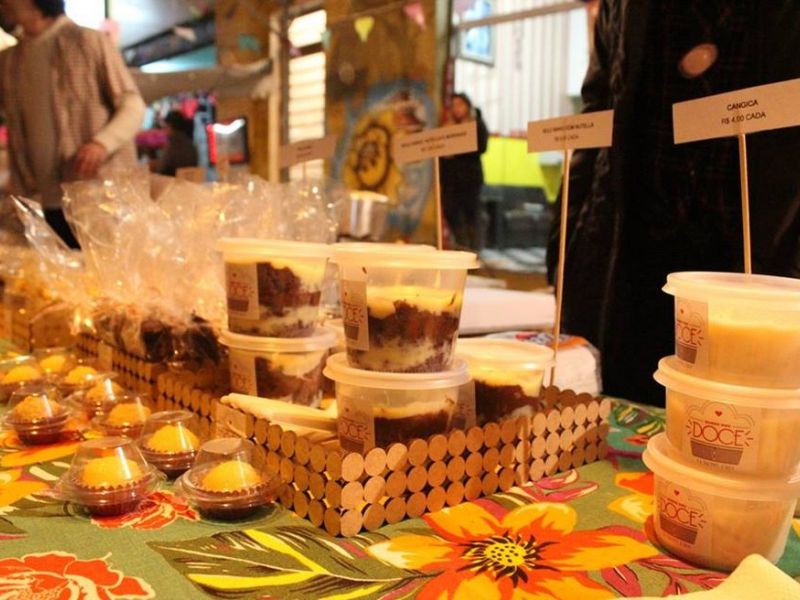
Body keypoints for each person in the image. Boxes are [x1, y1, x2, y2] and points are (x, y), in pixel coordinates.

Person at [547, 1, 800, 406]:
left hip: (761, 270)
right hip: (632, 266)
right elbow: (599, 109)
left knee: (745, 423)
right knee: (624, 421)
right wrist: (564, 241)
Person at [0, 0, 145, 248]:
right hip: (35, 205)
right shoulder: (8, 61)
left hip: (96, 202)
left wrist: (101, 143)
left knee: (101, 268)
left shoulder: (88, 41)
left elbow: (132, 104)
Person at [440, 92, 488, 250]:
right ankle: (461, 246)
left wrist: (459, 146)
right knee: (451, 213)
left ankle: (473, 250)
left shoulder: (476, 124)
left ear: (467, 105)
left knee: (471, 217)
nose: (457, 109)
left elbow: (482, 146)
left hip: (469, 179)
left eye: (460, 104)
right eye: (453, 105)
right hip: (450, 182)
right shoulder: (447, 127)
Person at [153, 110, 199, 176]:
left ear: (170, 126)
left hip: (173, 180)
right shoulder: (190, 143)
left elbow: (161, 168)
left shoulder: (172, 144)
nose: (165, 130)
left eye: (165, 127)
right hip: (190, 180)